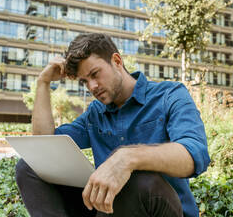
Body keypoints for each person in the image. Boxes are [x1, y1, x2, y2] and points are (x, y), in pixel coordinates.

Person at [15, 33, 210, 217]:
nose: (92, 87)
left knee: (138, 180)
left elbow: (195, 154)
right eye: (85, 81)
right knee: (31, 166)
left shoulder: (169, 95)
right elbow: (45, 146)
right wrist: (43, 82)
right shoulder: (95, 113)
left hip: (160, 208)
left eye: (95, 74)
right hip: (110, 209)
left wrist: (128, 158)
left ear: (117, 61)